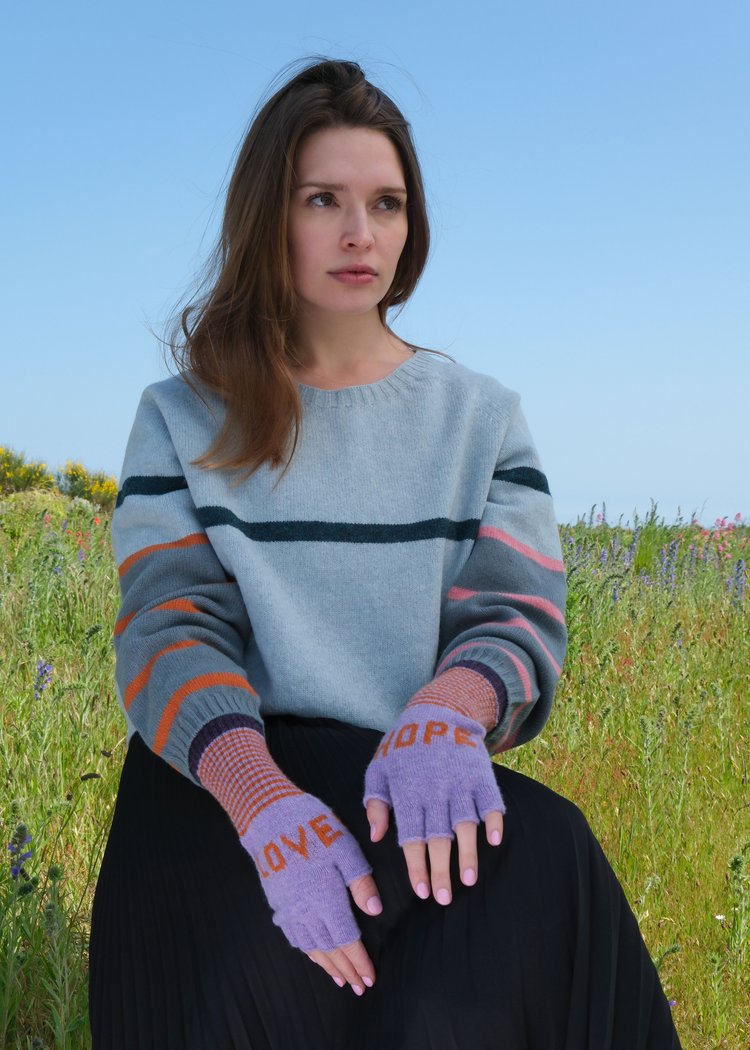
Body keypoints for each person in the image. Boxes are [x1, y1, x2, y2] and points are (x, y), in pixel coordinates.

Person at [88, 57, 681, 1049]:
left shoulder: (479, 419)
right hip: (232, 788)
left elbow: (516, 616)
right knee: (242, 975)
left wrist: (455, 711)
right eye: (324, 199)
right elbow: (169, 627)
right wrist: (262, 798)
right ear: (268, 217)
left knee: (551, 867)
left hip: (411, 783)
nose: (362, 233)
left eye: (387, 202)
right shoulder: (184, 417)